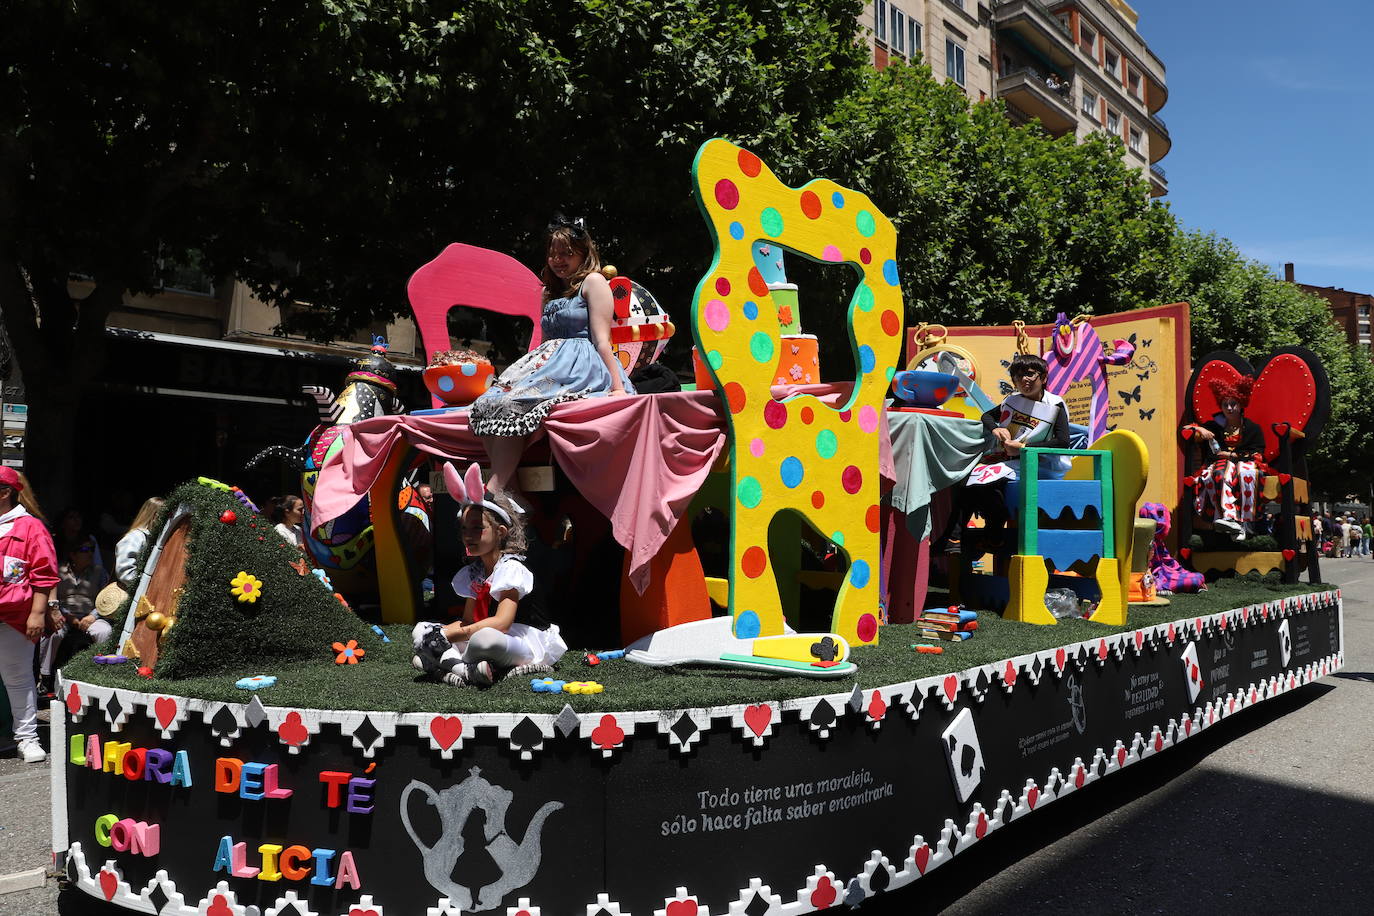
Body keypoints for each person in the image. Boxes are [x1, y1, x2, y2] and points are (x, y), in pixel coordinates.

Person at [467, 215, 635, 498]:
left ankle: (495, 490)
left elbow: (602, 339)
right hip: (551, 362)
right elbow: (545, 341)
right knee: (488, 402)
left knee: (514, 404)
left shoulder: (593, 282)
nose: (558, 260)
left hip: (581, 365)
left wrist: (618, 387)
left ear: (584, 253)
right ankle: (508, 487)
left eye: (566, 253)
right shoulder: (548, 292)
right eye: (553, 253)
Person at [411, 463, 566, 687]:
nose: (468, 536)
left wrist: (448, 637)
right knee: (421, 630)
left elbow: (502, 623)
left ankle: (444, 662)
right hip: (481, 632)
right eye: (464, 529)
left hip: (520, 639)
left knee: (483, 640)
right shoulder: (474, 573)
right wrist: (439, 633)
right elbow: (468, 620)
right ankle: (466, 669)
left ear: (500, 532)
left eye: (477, 528)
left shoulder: (511, 568)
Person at [938, 353, 1071, 552]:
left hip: (1041, 465)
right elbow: (987, 416)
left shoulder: (1055, 404)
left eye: (1030, 374)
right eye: (1018, 376)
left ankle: (978, 535)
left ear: (1043, 378)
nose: (1023, 380)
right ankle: (957, 538)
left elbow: (1062, 442)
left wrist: (1025, 449)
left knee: (986, 484)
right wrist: (995, 428)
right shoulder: (1013, 400)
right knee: (967, 479)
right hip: (1011, 462)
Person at [0, 468, 58, 763]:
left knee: (19, 678)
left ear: (5, 492)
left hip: (14, 618)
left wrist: (38, 613)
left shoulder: (30, 527)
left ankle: (27, 738)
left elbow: (44, 575)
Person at [1187, 376, 1264, 542]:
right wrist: (1200, 429)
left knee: (1246, 474)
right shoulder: (1214, 425)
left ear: (1241, 404)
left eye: (1233, 404)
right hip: (1220, 463)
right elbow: (1187, 428)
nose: (1229, 408)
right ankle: (1229, 518)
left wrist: (1231, 455)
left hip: (1244, 462)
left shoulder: (1252, 428)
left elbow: (1257, 452)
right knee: (1220, 473)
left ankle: (1244, 523)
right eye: (1225, 405)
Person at [38, 538, 112, 696]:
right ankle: (45, 677)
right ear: (72, 554)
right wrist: (67, 616)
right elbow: (53, 598)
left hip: (91, 615)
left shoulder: (100, 572)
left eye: (92, 549)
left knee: (105, 631)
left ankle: (103, 674)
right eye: (85, 550)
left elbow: (107, 598)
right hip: (64, 615)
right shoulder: (59, 572)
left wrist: (93, 616)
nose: (90, 553)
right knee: (54, 634)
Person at [114, 497, 165, 591]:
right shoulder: (135, 537)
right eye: (165, 516)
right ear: (154, 516)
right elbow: (125, 573)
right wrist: (151, 584)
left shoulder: (155, 539)